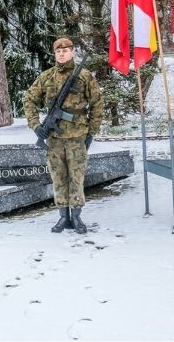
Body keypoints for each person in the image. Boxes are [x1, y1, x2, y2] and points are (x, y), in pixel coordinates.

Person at [23, 38, 103, 234]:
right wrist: (35, 126)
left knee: (77, 178)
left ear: (72, 52)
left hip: (77, 137)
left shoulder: (84, 77)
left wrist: (92, 132)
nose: (61, 54)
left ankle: (76, 217)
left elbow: (97, 103)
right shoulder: (47, 77)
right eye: (58, 51)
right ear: (54, 54)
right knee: (58, 178)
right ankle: (63, 217)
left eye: (65, 50)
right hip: (54, 139)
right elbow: (29, 100)